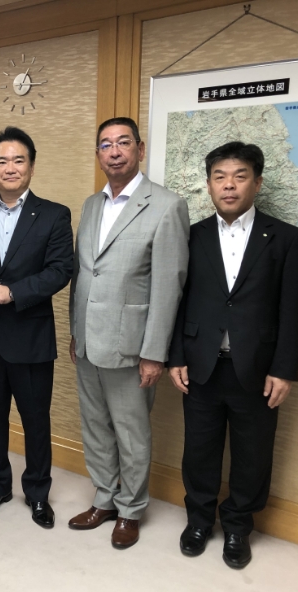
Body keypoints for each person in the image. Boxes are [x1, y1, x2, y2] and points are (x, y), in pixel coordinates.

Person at [168, 142, 298, 569]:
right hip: (201, 365)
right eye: (220, 177)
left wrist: (284, 369)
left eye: (239, 176)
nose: (229, 185)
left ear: (257, 182)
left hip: (258, 369)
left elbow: (294, 310)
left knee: (253, 454)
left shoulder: (286, 239)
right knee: (199, 450)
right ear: (209, 184)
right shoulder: (191, 236)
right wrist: (176, 356)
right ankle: (198, 521)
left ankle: (237, 527)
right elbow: (177, 300)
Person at [69, 117, 189, 549]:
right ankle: (104, 498)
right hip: (87, 341)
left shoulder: (167, 205)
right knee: (95, 426)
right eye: (105, 144)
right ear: (98, 154)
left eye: (123, 142)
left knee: (131, 432)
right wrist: (76, 332)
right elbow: (84, 274)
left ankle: (131, 509)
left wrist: (154, 352)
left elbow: (169, 285)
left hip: (131, 344)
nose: (114, 151)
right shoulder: (91, 205)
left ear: (139, 148)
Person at [0, 127, 73, 529]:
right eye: (2, 161)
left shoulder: (54, 214)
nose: (10, 168)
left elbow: (60, 270)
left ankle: (38, 493)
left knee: (35, 419)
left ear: (31, 166)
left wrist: (14, 292)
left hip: (30, 336)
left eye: (18, 160)